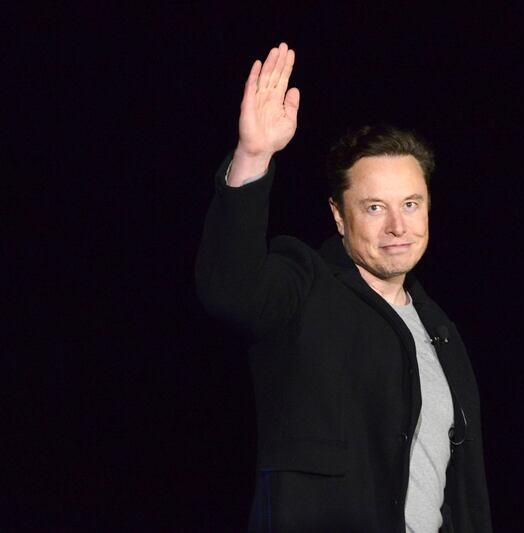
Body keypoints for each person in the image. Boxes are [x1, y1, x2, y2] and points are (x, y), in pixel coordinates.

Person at [196, 42, 492, 533]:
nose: (398, 226)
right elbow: (230, 289)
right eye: (375, 207)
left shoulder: (441, 330)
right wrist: (253, 156)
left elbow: (465, 494)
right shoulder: (306, 285)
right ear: (339, 215)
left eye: (411, 204)